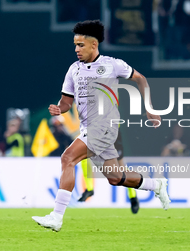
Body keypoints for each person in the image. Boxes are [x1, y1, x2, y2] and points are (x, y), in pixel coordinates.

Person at [32, 20, 170, 231]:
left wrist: (149, 107)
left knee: (68, 158)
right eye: (75, 45)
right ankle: (156, 185)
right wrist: (60, 108)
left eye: (81, 45)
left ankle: (56, 217)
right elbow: (67, 101)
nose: (76, 49)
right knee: (115, 177)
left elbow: (140, 79)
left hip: (105, 126)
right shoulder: (73, 70)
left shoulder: (112, 64)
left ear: (94, 45)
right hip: (88, 129)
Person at [78, 130, 140, 214]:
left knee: (120, 167)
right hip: (97, 133)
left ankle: (133, 196)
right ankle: (89, 189)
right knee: (83, 155)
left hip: (112, 135)